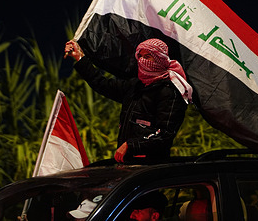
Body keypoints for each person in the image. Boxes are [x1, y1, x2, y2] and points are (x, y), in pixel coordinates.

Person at [64, 38, 192, 163]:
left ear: (160, 59)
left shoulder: (170, 91)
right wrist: (80, 58)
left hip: (150, 168)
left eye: (147, 56)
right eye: (140, 56)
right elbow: (102, 84)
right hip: (127, 163)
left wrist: (131, 146)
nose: (142, 61)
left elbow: (165, 135)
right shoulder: (136, 86)